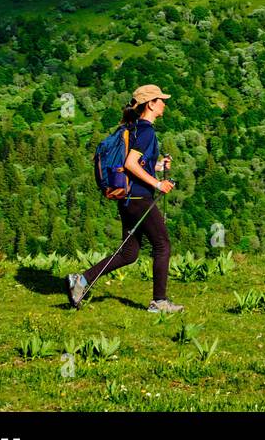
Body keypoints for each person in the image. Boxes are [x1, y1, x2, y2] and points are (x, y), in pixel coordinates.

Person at [66, 84, 184, 313]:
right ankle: (159, 302)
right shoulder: (147, 131)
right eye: (161, 99)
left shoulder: (133, 128)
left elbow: (134, 165)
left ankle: (81, 281)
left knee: (128, 254)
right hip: (140, 198)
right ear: (150, 103)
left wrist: (157, 166)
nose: (164, 104)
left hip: (127, 198)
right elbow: (130, 164)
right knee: (163, 245)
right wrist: (158, 183)